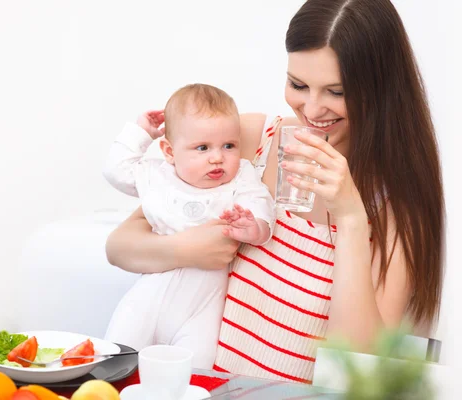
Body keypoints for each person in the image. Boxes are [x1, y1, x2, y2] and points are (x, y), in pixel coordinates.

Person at [104, 0, 444, 384]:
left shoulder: (396, 208)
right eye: (298, 85)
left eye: (336, 92)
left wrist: (350, 218)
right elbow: (120, 245)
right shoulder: (250, 141)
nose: (312, 109)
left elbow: (358, 371)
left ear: (380, 90)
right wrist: (192, 248)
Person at [101, 83, 275, 368]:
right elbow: (116, 171)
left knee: (196, 370)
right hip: (150, 295)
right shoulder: (159, 176)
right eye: (202, 147)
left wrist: (254, 226)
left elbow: (261, 203)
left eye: (228, 145)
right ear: (170, 151)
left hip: (203, 306)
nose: (217, 157)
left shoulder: (240, 177)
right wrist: (140, 133)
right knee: (118, 359)